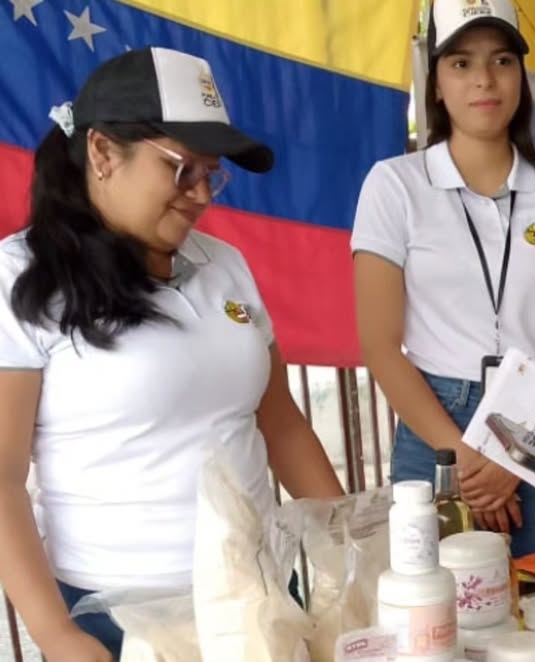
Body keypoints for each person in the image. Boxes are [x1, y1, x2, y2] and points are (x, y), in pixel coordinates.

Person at [0, 48, 344, 661]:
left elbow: (282, 423)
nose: (202, 194)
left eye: (212, 173)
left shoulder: (224, 267)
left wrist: (348, 545)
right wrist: (57, 635)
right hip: (124, 619)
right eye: (182, 169)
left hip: (258, 596)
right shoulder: (21, 281)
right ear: (103, 153)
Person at [351, 0, 535, 557]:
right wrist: (465, 457)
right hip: (434, 421)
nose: (484, 79)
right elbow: (380, 346)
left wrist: (516, 452)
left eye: (502, 60)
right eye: (461, 63)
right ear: (436, 82)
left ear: (521, 76)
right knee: (438, 620)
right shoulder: (395, 186)